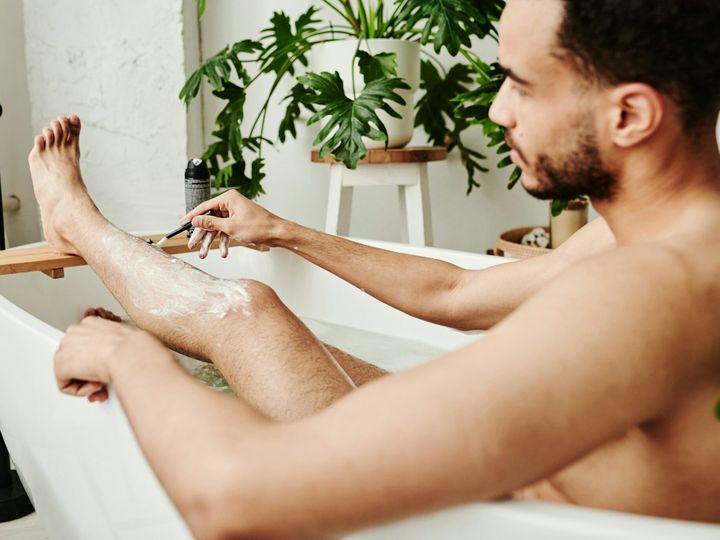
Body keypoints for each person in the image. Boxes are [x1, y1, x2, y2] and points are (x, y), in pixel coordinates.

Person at [27, 0, 720, 537]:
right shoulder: (673, 242)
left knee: (245, 313)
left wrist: (126, 354)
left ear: (629, 113)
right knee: (307, 339)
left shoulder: (646, 294)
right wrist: (286, 231)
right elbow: (457, 291)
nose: (497, 109)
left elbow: (230, 496)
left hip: (459, 519)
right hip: (510, 472)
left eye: (521, 85)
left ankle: (76, 222)